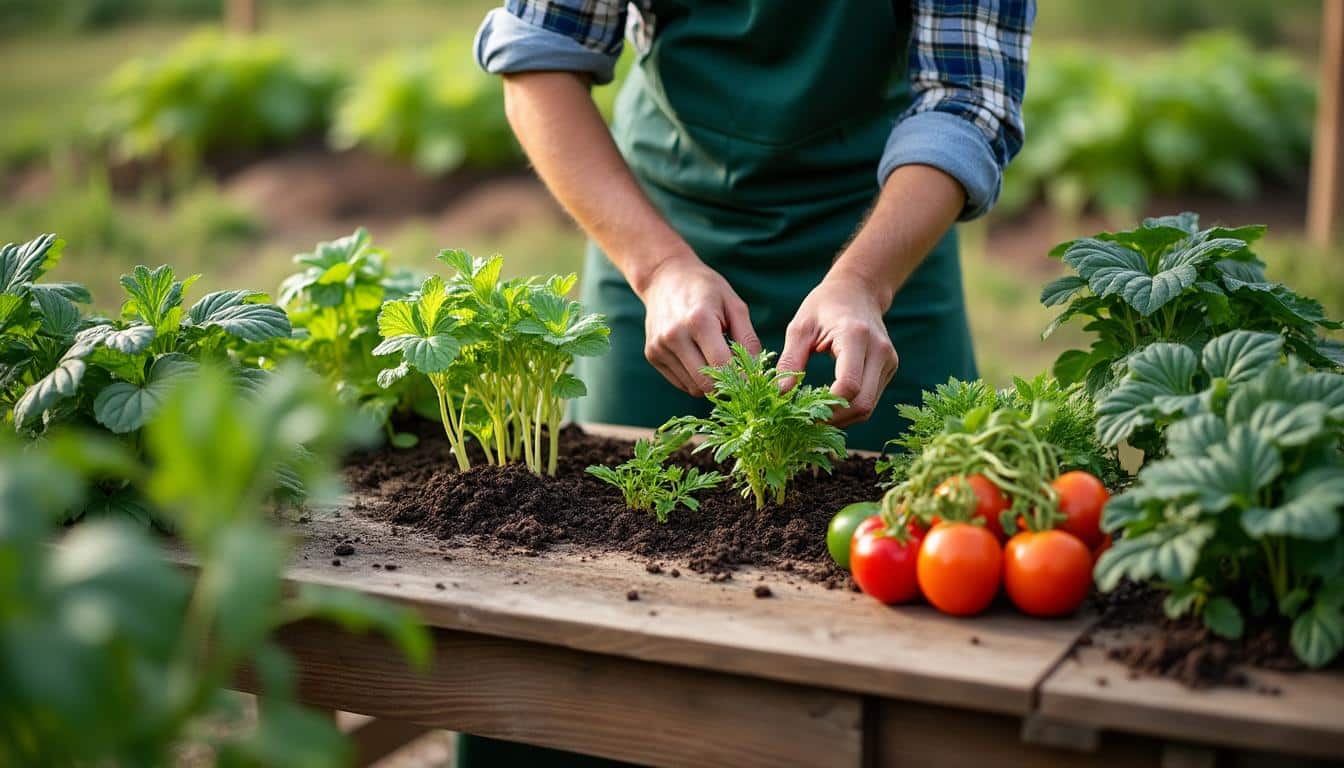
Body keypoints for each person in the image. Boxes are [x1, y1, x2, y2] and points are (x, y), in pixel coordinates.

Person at [461, 0, 1033, 764]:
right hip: (658, 224)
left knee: (919, 646)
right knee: (593, 609)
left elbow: (966, 97)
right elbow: (541, 53)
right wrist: (658, 267)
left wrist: (866, 278)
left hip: (886, 237)